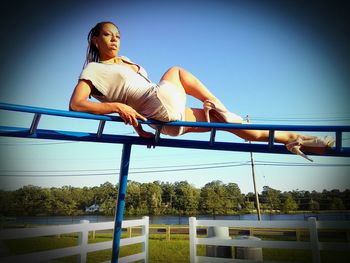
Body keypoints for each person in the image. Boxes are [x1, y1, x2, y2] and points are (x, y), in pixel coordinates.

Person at [69, 21, 335, 162]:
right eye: (107, 34)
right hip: (161, 107)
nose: (114, 39)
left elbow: (133, 101)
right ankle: (216, 103)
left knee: (233, 124)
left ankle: (299, 141)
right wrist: (117, 107)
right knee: (175, 70)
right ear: (95, 39)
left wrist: (140, 130)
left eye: (117, 35)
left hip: (168, 121)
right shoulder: (94, 69)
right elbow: (77, 104)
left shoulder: (126, 61)